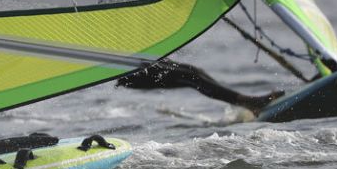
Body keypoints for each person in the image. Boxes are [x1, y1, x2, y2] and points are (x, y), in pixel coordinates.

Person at [116, 58, 285, 115]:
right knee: (192, 77)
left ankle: (244, 102)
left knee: (194, 71)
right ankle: (248, 102)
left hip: (135, 61)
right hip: (126, 71)